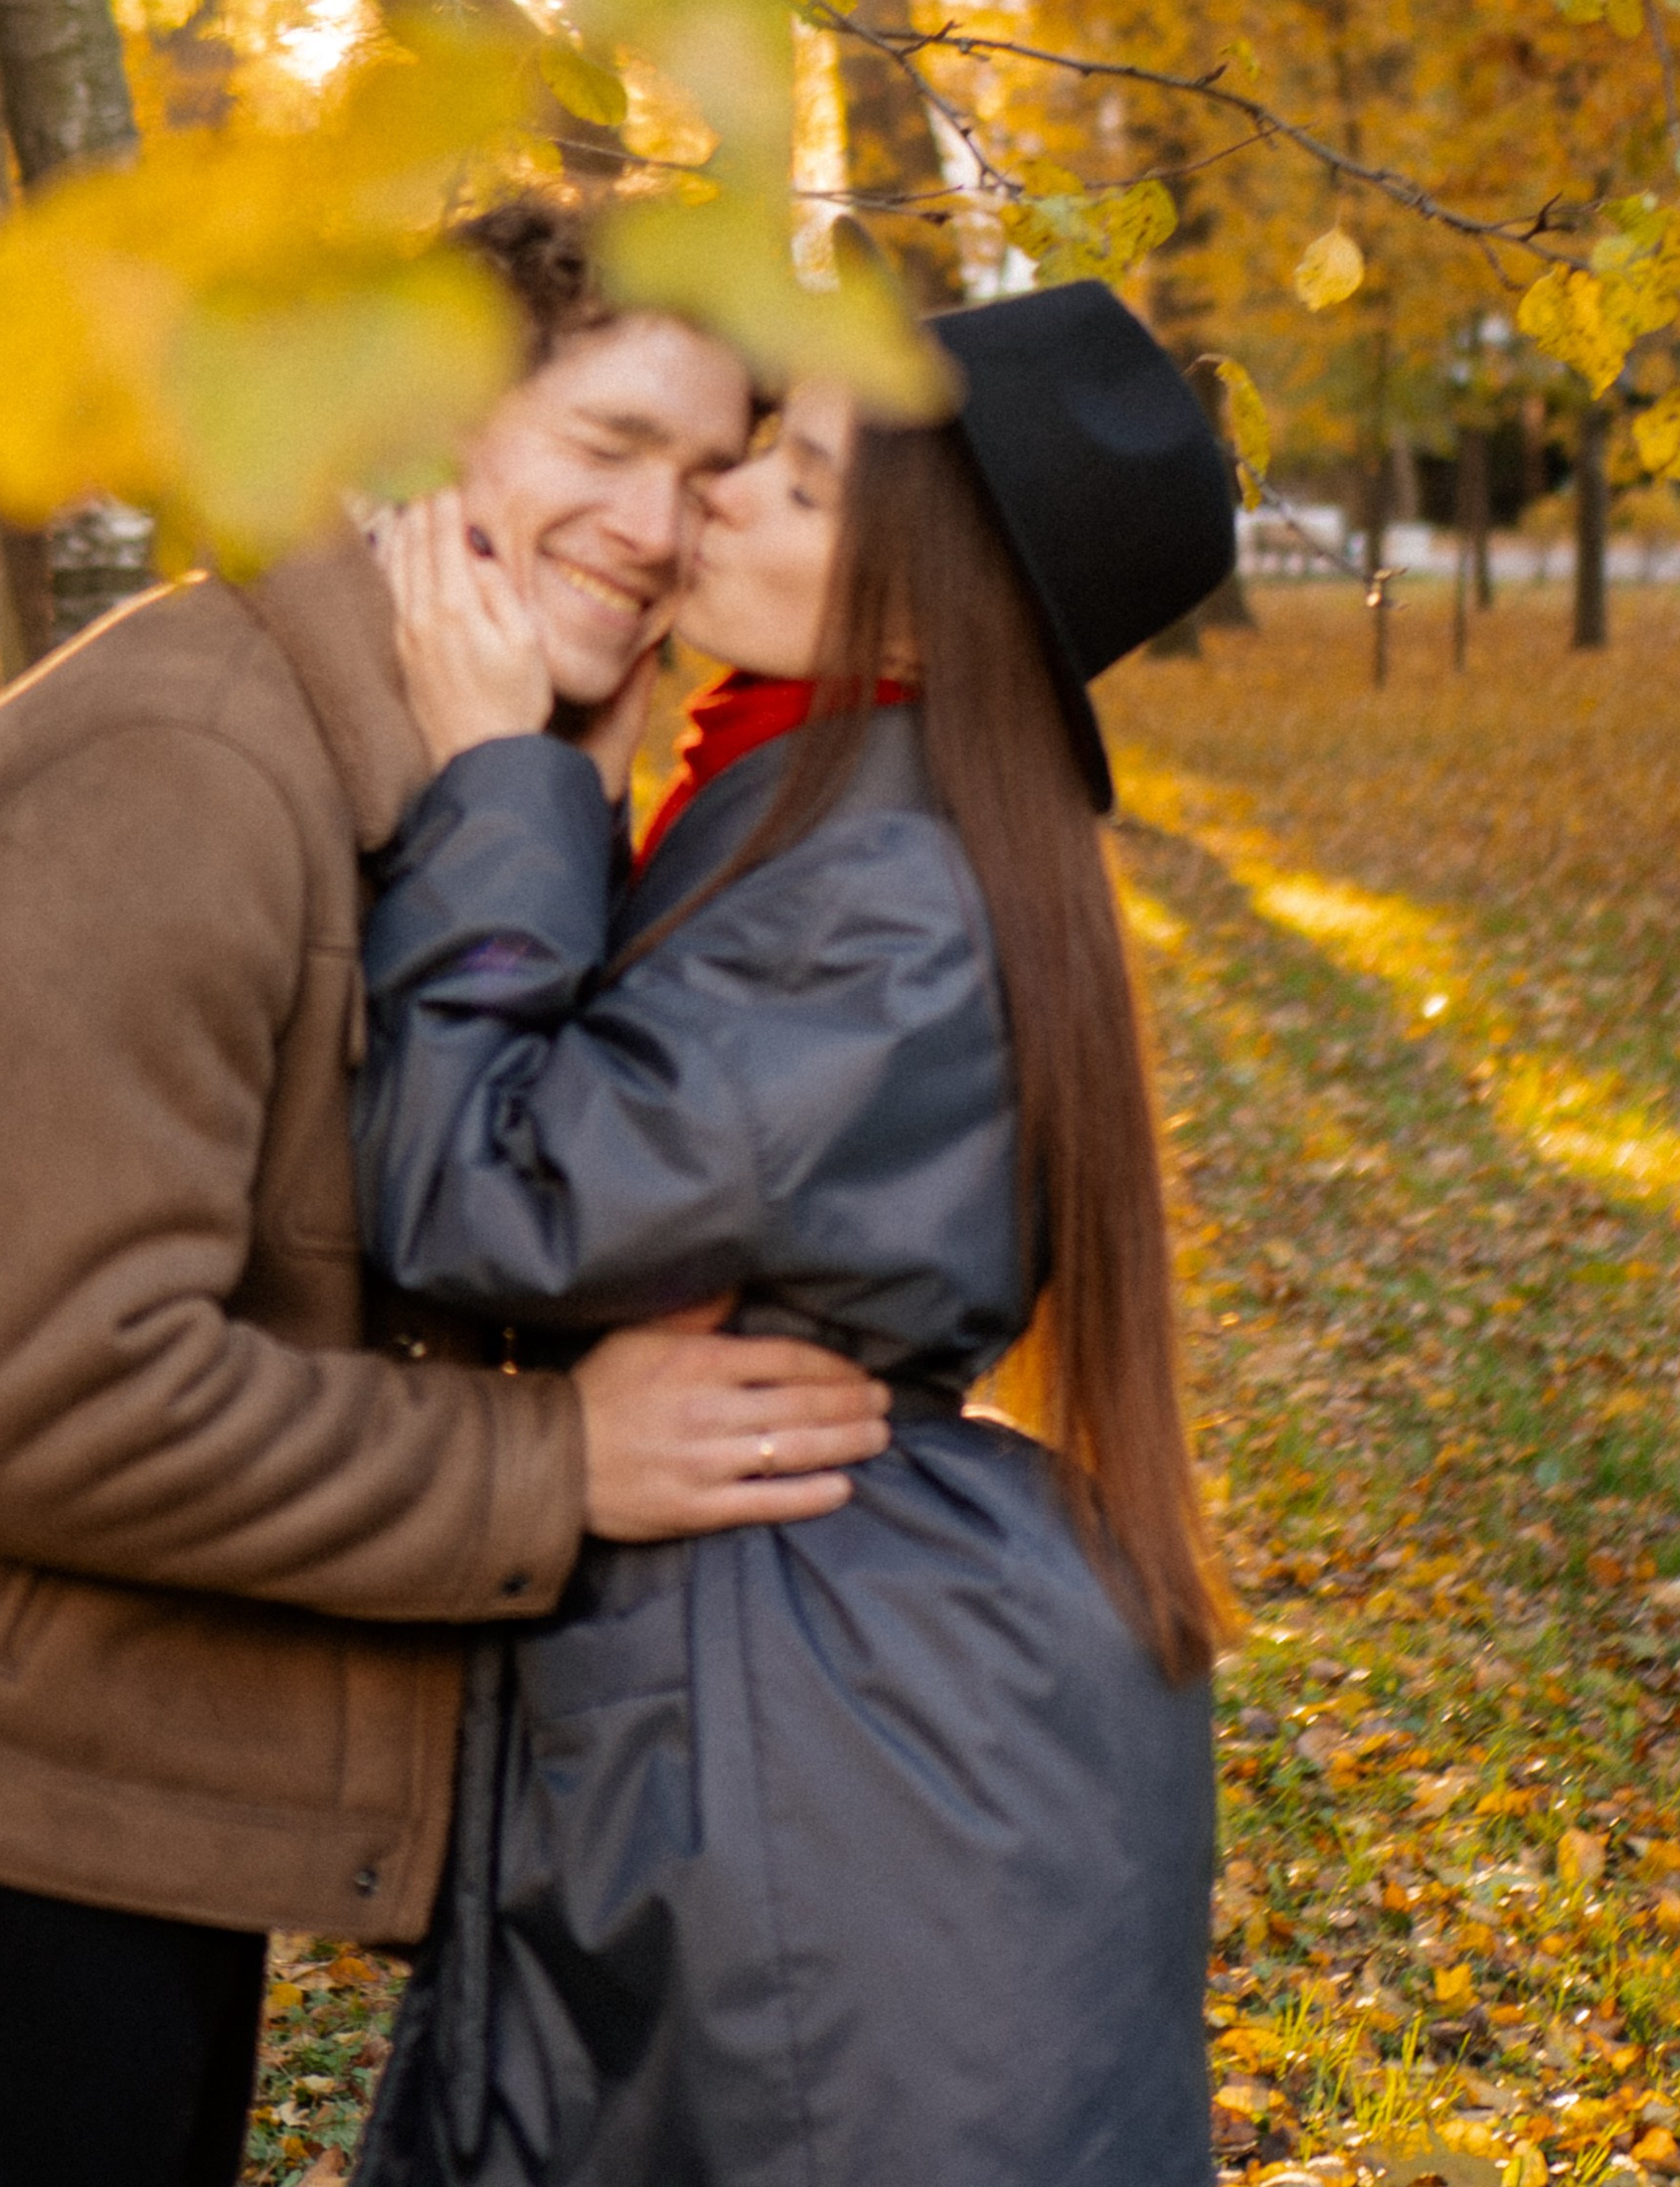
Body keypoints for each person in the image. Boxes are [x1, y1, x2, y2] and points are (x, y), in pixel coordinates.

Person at [0, 201, 893, 2187]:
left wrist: (538, 831)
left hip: (86, 1804)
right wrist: (552, 1462)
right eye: (602, 445)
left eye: (706, 473)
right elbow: (62, 1402)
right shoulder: (178, 773)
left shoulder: (426, 781)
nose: (658, 527)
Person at [349, 275, 1240, 2187]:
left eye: (804, 485)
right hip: (811, 1676)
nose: (724, 498)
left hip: (811, 1741)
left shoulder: (878, 889)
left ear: (922, 604)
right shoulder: (831, 810)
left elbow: (485, 1197)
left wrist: (495, 778)